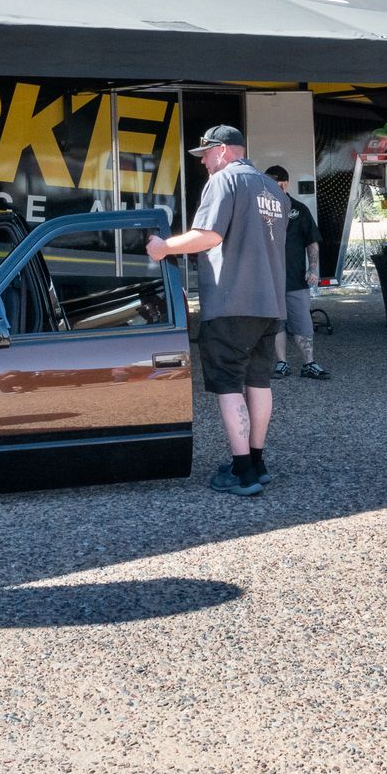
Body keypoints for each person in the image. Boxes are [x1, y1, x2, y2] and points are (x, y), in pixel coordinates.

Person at [146, 124, 287, 496]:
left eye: (205, 154)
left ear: (223, 151)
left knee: (228, 385)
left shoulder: (225, 181)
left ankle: (241, 472)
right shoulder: (272, 187)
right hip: (270, 303)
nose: (204, 163)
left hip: (231, 302)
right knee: (259, 382)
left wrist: (164, 247)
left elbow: (209, 235)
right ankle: (257, 462)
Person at [264, 166, 328, 381]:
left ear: (285, 183)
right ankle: (282, 363)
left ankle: (309, 363)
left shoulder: (299, 210)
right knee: (277, 323)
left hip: (296, 280)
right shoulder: (261, 212)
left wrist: (312, 269)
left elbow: (312, 241)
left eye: (276, 183)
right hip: (269, 280)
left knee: (303, 323)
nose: (273, 187)